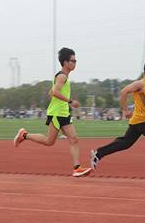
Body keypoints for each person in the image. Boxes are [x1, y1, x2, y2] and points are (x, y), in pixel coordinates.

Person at [89, 60, 145, 180]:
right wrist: (125, 110)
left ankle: (98, 153)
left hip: (139, 120)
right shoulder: (140, 84)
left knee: (125, 143)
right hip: (141, 120)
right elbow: (123, 92)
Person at [13, 47, 92, 177]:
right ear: (65, 62)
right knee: (49, 141)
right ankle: (24, 135)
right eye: (73, 60)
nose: (75, 63)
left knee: (74, 139)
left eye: (75, 61)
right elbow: (54, 92)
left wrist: (64, 102)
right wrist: (71, 101)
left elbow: (52, 92)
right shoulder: (62, 76)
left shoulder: (64, 77)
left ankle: (77, 168)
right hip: (56, 113)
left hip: (64, 113)